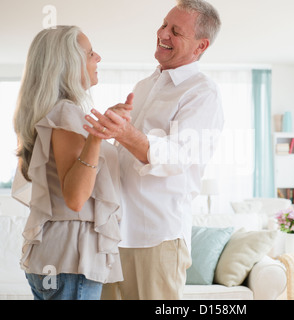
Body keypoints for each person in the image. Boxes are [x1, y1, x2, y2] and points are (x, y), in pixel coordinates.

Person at [85, 0, 223, 300]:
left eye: (176, 31)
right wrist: (113, 128)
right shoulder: (145, 84)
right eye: (163, 24)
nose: (163, 33)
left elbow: (178, 156)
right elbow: (125, 153)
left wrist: (125, 132)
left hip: (156, 237)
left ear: (200, 46)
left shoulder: (202, 92)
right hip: (114, 233)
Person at [12, 25, 129, 300]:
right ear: (67, 64)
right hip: (71, 260)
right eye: (89, 53)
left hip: (55, 258)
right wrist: (97, 136)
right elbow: (76, 198)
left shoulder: (54, 112)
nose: (98, 57)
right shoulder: (66, 113)